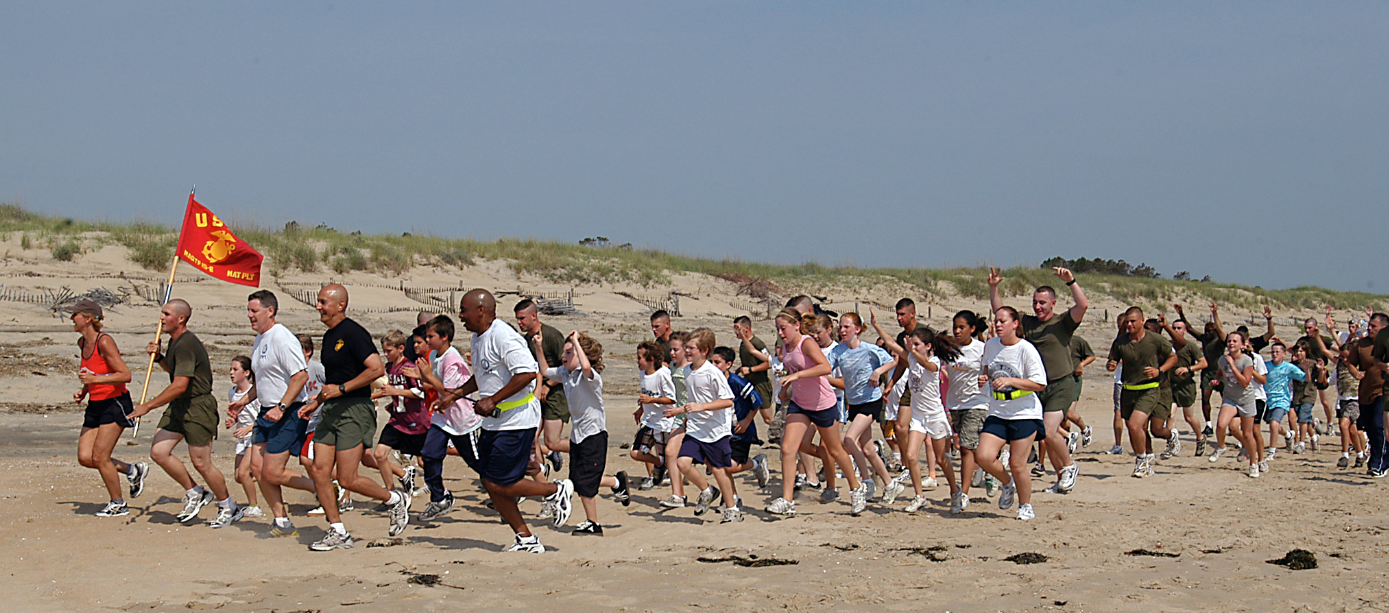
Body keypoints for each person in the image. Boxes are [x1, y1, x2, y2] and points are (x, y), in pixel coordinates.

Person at [433, 289, 574, 553]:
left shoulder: (503, 336)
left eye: (464, 310)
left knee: (500, 482)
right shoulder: (477, 337)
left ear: (482, 311)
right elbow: (482, 375)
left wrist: (493, 400)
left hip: (518, 419)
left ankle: (555, 489)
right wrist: (454, 396)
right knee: (489, 482)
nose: (460, 316)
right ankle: (526, 538)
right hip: (492, 422)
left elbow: (527, 373)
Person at [296, 284, 409, 551]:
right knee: (318, 470)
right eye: (318, 301)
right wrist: (316, 402)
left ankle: (393, 499)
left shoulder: (354, 333)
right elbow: (333, 381)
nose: (318, 307)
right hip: (331, 410)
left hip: (355, 410)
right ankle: (337, 531)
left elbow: (376, 368)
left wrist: (343, 389)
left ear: (340, 305)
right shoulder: (329, 336)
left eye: (323, 302)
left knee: (347, 479)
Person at [131, 299, 237, 526]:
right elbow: (176, 369)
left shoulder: (187, 343)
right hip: (179, 405)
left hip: (197, 406)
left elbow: (180, 384)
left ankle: (228, 505)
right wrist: (160, 358)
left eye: (167, 314)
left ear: (181, 318)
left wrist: (148, 406)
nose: (161, 318)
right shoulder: (175, 342)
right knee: (159, 452)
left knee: (202, 463)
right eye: (162, 313)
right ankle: (195, 491)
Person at [227, 291, 317, 537]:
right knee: (257, 469)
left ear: (270, 311)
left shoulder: (282, 337)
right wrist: (243, 402)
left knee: (273, 472)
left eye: (254, 311)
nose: (249, 315)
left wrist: (282, 407)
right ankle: (282, 521)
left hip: (287, 412)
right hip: (266, 412)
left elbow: (301, 376)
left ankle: (320, 488)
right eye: (249, 310)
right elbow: (264, 381)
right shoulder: (260, 339)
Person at [988, 267, 1085, 489]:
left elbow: (1082, 306)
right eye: (1035, 302)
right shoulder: (1027, 323)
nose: (1038, 306)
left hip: (1060, 384)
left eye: (1042, 302)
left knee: (1050, 430)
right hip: (1034, 387)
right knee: (1044, 437)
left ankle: (1070, 466)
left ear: (1053, 303)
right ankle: (1061, 479)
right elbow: (1001, 311)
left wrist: (1071, 281)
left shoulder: (1063, 322)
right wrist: (993, 288)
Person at [764, 309, 866, 516]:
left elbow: (825, 367)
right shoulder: (786, 346)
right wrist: (785, 388)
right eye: (777, 329)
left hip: (822, 403)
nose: (781, 333)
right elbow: (790, 371)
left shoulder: (807, 343)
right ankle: (787, 500)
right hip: (799, 404)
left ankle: (857, 489)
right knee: (787, 448)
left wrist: (798, 375)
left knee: (835, 450)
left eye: (783, 328)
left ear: (796, 326)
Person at [534, 330, 629, 535]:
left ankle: (593, 523)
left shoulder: (591, 377)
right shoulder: (565, 374)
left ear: (580, 353)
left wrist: (576, 341)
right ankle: (616, 482)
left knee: (586, 483)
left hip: (594, 436)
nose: (564, 356)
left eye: (569, 352)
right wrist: (539, 346)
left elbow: (586, 366)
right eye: (564, 352)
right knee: (579, 480)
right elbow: (544, 370)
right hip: (578, 435)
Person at [873, 313, 965, 513]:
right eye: (911, 344)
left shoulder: (934, 362)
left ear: (928, 346)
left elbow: (927, 365)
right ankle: (919, 496)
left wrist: (912, 352)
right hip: (919, 417)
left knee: (942, 459)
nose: (912, 348)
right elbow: (891, 343)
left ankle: (955, 491)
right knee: (912, 457)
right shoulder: (911, 359)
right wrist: (876, 325)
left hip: (935, 416)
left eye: (917, 344)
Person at [67, 298, 147, 517]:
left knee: (101, 456)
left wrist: (95, 380)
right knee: (85, 457)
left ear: (88, 318)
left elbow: (125, 375)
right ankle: (132, 469)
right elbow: (90, 374)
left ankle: (118, 503)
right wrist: (83, 391)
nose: (71, 318)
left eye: (75, 315)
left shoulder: (105, 342)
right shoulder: (82, 343)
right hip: (95, 403)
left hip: (115, 403)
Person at [974, 306, 1048, 521]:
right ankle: (1007, 484)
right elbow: (987, 369)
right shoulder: (991, 345)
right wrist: (984, 378)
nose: (998, 325)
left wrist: (1011, 381)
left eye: (1003, 321)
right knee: (984, 456)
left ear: (1015, 324)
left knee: (1017, 463)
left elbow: (1039, 383)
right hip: (998, 410)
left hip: (1024, 412)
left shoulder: (1026, 349)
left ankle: (1025, 505)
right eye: (996, 321)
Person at [664, 328, 743, 522]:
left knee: (718, 469)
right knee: (682, 462)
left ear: (704, 350)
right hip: (696, 428)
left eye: (691, 348)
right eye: (687, 348)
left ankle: (732, 509)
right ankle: (707, 490)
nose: (688, 352)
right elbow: (693, 399)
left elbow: (728, 400)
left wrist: (702, 407)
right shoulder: (686, 371)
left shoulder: (712, 373)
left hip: (715, 430)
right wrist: (680, 410)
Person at [412, 317, 484, 523]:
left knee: (477, 462)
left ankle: (507, 490)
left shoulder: (452, 358)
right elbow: (433, 384)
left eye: (431, 336)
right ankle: (440, 498)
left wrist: (426, 375)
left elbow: (450, 391)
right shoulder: (434, 355)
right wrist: (420, 376)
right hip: (443, 417)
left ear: (444, 337)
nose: (427, 340)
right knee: (429, 454)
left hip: (462, 420)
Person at [827, 313, 898, 503]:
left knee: (849, 439)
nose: (842, 331)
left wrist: (878, 371)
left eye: (846, 327)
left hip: (871, 401)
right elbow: (825, 367)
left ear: (857, 330)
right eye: (840, 327)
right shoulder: (838, 351)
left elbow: (893, 361)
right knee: (868, 450)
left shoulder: (869, 349)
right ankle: (890, 484)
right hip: (855, 403)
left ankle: (866, 481)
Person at [1106, 307, 1179, 478]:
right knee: (1135, 429)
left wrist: (1159, 371)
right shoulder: (1120, 342)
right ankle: (1145, 458)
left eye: (1133, 321)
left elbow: (1173, 357)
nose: (1129, 324)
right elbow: (1112, 360)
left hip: (1150, 388)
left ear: (1142, 321)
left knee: (1135, 425)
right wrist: (1111, 365)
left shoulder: (1155, 339)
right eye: (1127, 322)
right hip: (1128, 389)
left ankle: (1142, 462)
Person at [369, 330, 427, 500]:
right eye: (384, 351)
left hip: (415, 421)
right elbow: (391, 390)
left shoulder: (408, 367)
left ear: (401, 348)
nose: (386, 354)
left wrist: (396, 392)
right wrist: (375, 397)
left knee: (424, 461)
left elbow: (420, 392)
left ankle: (440, 493)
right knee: (380, 454)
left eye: (389, 351)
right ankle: (392, 493)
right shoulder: (390, 368)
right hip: (397, 420)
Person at [515, 299, 569, 474]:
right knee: (530, 437)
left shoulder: (552, 336)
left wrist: (547, 385)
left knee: (552, 441)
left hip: (556, 392)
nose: (519, 322)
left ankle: (586, 449)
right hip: (536, 392)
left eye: (522, 318)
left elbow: (567, 366)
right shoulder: (525, 341)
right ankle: (540, 469)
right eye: (517, 319)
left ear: (534, 316)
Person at [948, 310, 993, 505]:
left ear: (972, 329)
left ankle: (963, 494)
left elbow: (992, 369)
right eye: (955, 327)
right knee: (966, 446)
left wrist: (986, 377)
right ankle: (992, 464)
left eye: (962, 327)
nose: (957, 331)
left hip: (977, 403)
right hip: (955, 404)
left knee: (966, 447)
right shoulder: (948, 349)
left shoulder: (982, 349)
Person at [710, 346, 770, 490]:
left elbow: (757, 400)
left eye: (717, 362)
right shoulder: (711, 381)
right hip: (720, 430)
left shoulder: (737, 383)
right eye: (711, 362)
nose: (713, 366)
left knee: (729, 467)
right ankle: (731, 499)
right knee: (720, 466)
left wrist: (747, 420)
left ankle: (756, 464)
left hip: (740, 431)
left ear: (728, 365)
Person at [1210, 331, 1262, 477]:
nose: (1231, 344)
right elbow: (1220, 373)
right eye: (1229, 341)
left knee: (1247, 434)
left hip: (1246, 399)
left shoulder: (1246, 361)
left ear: (1242, 345)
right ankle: (1221, 447)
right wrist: (1217, 380)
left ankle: (1253, 463)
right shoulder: (1222, 359)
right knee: (1221, 425)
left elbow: (1245, 383)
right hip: (1230, 398)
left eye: (1234, 341)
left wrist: (1233, 366)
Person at [1347, 312, 1387, 476]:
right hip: (1365, 393)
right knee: (1369, 428)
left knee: (1379, 425)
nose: (1369, 328)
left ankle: (1379, 462)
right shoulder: (1360, 345)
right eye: (1369, 325)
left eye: (1373, 326)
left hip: (1384, 391)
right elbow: (1350, 362)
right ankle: (1374, 461)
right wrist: (1355, 371)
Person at [658, 331, 695, 508]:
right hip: (679, 417)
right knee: (670, 452)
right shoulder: (671, 367)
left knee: (712, 460)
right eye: (671, 350)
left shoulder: (692, 369)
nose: (672, 353)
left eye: (676, 350)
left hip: (695, 416)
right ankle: (678, 495)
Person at [632, 341, 676, 490]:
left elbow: (671, 399)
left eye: (640, 358)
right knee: (635, 453)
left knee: (668, 457)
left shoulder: (663, 374)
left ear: (650, 360)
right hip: (649, 421)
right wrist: (641, 409)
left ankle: (666, 478)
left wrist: (653, 400)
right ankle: (658, 466)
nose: (637, 361)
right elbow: (645, 394)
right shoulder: (642, 373)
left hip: (663, 422)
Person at [1162, 317, 1209, 456]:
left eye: (1179, 328)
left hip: (1186, 386)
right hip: (1171, 385)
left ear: (1185, 330)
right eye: (1174, 327)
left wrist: (1188, 369)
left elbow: (1203, 363)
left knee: (1189, 417)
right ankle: (1172, 444)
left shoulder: (1190, 346)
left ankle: (1200, 437)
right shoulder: (1168, 345)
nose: (1176, 330)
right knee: (1170, 416)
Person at [225, 356, 262, 517]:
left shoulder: (254, 393)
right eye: (231, 369)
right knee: (238, 476)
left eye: (235, 369)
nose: (231, 373)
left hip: (255, 435)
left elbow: (263, 418)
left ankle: (254, 506)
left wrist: (248, 428)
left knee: (243, 473)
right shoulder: (232, 393)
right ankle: (263, 479)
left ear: (247, 373)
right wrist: (233, 420)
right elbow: (240, 414)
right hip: (242, 438)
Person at [1261, 342, 1303, 466]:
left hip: (1282, 400)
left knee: (1274, 424)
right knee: (1272, 424)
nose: (1274, 354)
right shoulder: (1266, 365)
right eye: (1272, 352)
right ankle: (1288, 434)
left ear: (1284, 354)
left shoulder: (1289, 367)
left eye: (1277, 352)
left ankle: (1272, 452)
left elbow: (1303, 377)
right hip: (1268, 400)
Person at [733, 316, 774, 426]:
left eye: (737, 328)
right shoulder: (743, 343)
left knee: (768, 418)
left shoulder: (757, 343)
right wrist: (737, 371)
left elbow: (769, 363)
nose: (735, 332)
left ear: (746, 328)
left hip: (760, 384)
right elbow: (748, 362)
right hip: (748, 384)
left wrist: (751, 370)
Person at [1065, 334, 1096, 450]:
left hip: (1073, 380)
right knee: (1060, 416)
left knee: (1069, 412)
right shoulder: (1053, 341)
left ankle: (1085, 429)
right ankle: (1067, 440)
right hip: (1057, 381)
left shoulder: (1077, 341)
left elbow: (1091, 356)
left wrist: (1081, 364)